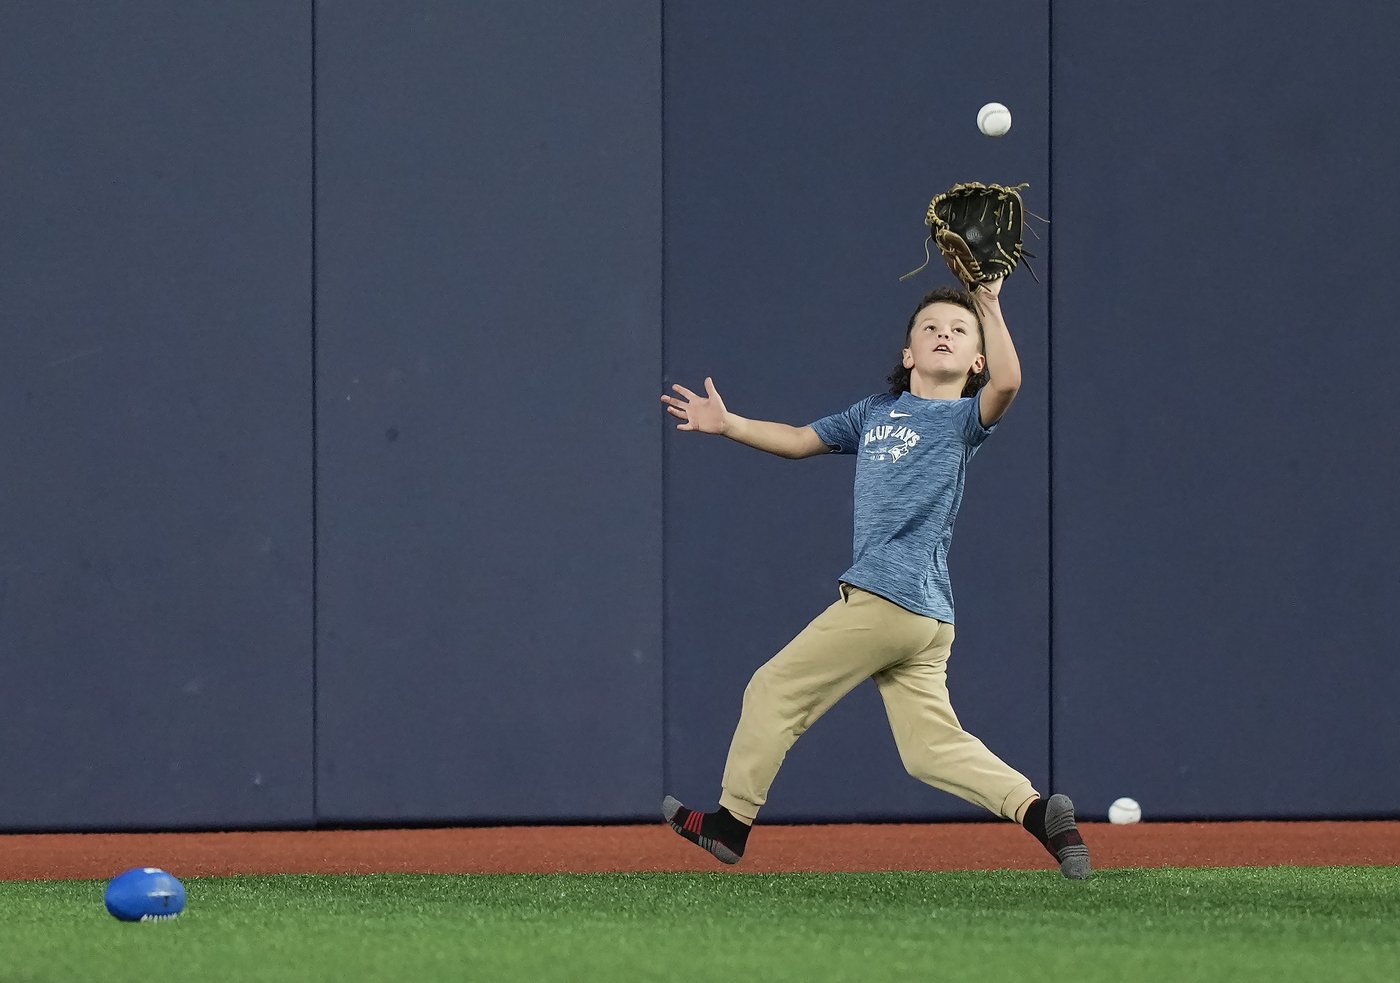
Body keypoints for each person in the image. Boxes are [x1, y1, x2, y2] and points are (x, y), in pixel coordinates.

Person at [658, 278, 1090, 879]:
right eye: (930, 327)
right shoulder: (873, 413)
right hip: (923, 616)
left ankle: (731, 823)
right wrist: (730, 424)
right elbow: (800, 440)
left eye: (959, 330)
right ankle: (1040, 813)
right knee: (928, 750)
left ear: (977, 361)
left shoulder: (964, 418)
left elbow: (1010, 384)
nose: (944, 334)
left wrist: (989, 305)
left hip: (893, 596)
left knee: (773, 689)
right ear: (908, 353)